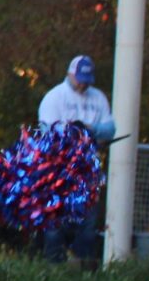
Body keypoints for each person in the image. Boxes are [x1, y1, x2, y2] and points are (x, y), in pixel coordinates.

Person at [35, 55, 115, 264]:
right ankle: (53, 266)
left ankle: (83, 267)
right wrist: (72, 133)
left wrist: (91, 129)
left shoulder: (98, 98)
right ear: (70, 74)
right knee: (55, 220)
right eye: (80, 79)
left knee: (88, 222)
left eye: (87, 80)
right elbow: (47, 132)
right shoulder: (55, 97)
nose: (83, 84)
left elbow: (110, 129)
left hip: (87, 168)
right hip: (58, 168)